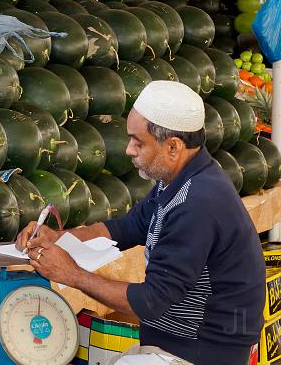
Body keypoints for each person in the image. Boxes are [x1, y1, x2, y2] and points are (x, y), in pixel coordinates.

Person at [16, 81, 265, 365]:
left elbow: (151, 301)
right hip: (176, 342)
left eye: (138, 142)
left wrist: (72, 274)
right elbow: (126, 228)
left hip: (203, 351)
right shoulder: (179, 178)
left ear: (172, 147)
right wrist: (59, 238)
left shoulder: (197, 203)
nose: (129, 150)